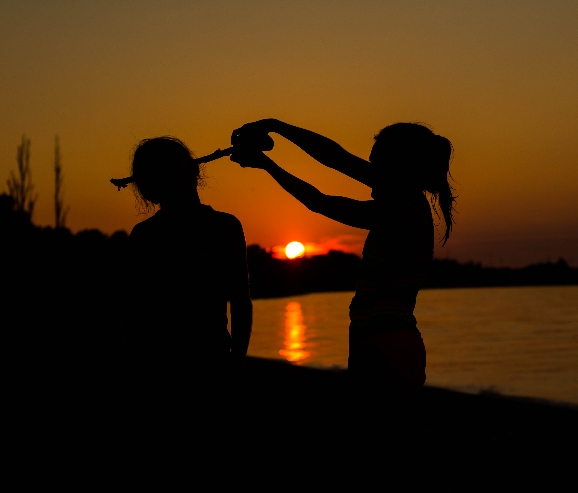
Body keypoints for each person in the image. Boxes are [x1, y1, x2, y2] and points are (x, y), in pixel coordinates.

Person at [229, 120, 455, 442]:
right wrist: (275, 127)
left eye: (376, 163)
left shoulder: (401, 214)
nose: (369, 171)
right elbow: (335, 157)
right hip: (386, 343)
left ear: (398, 167)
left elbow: (320, 202)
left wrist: (266, 163)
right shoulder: (405, 201)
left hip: (384, 347)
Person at [120, 136, 252, 436]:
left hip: (210, 364)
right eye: (160, 173)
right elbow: (133, 313)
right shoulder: (145, 237)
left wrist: (235, 364)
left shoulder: (225, 227)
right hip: (160, 372)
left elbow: (240, 302)